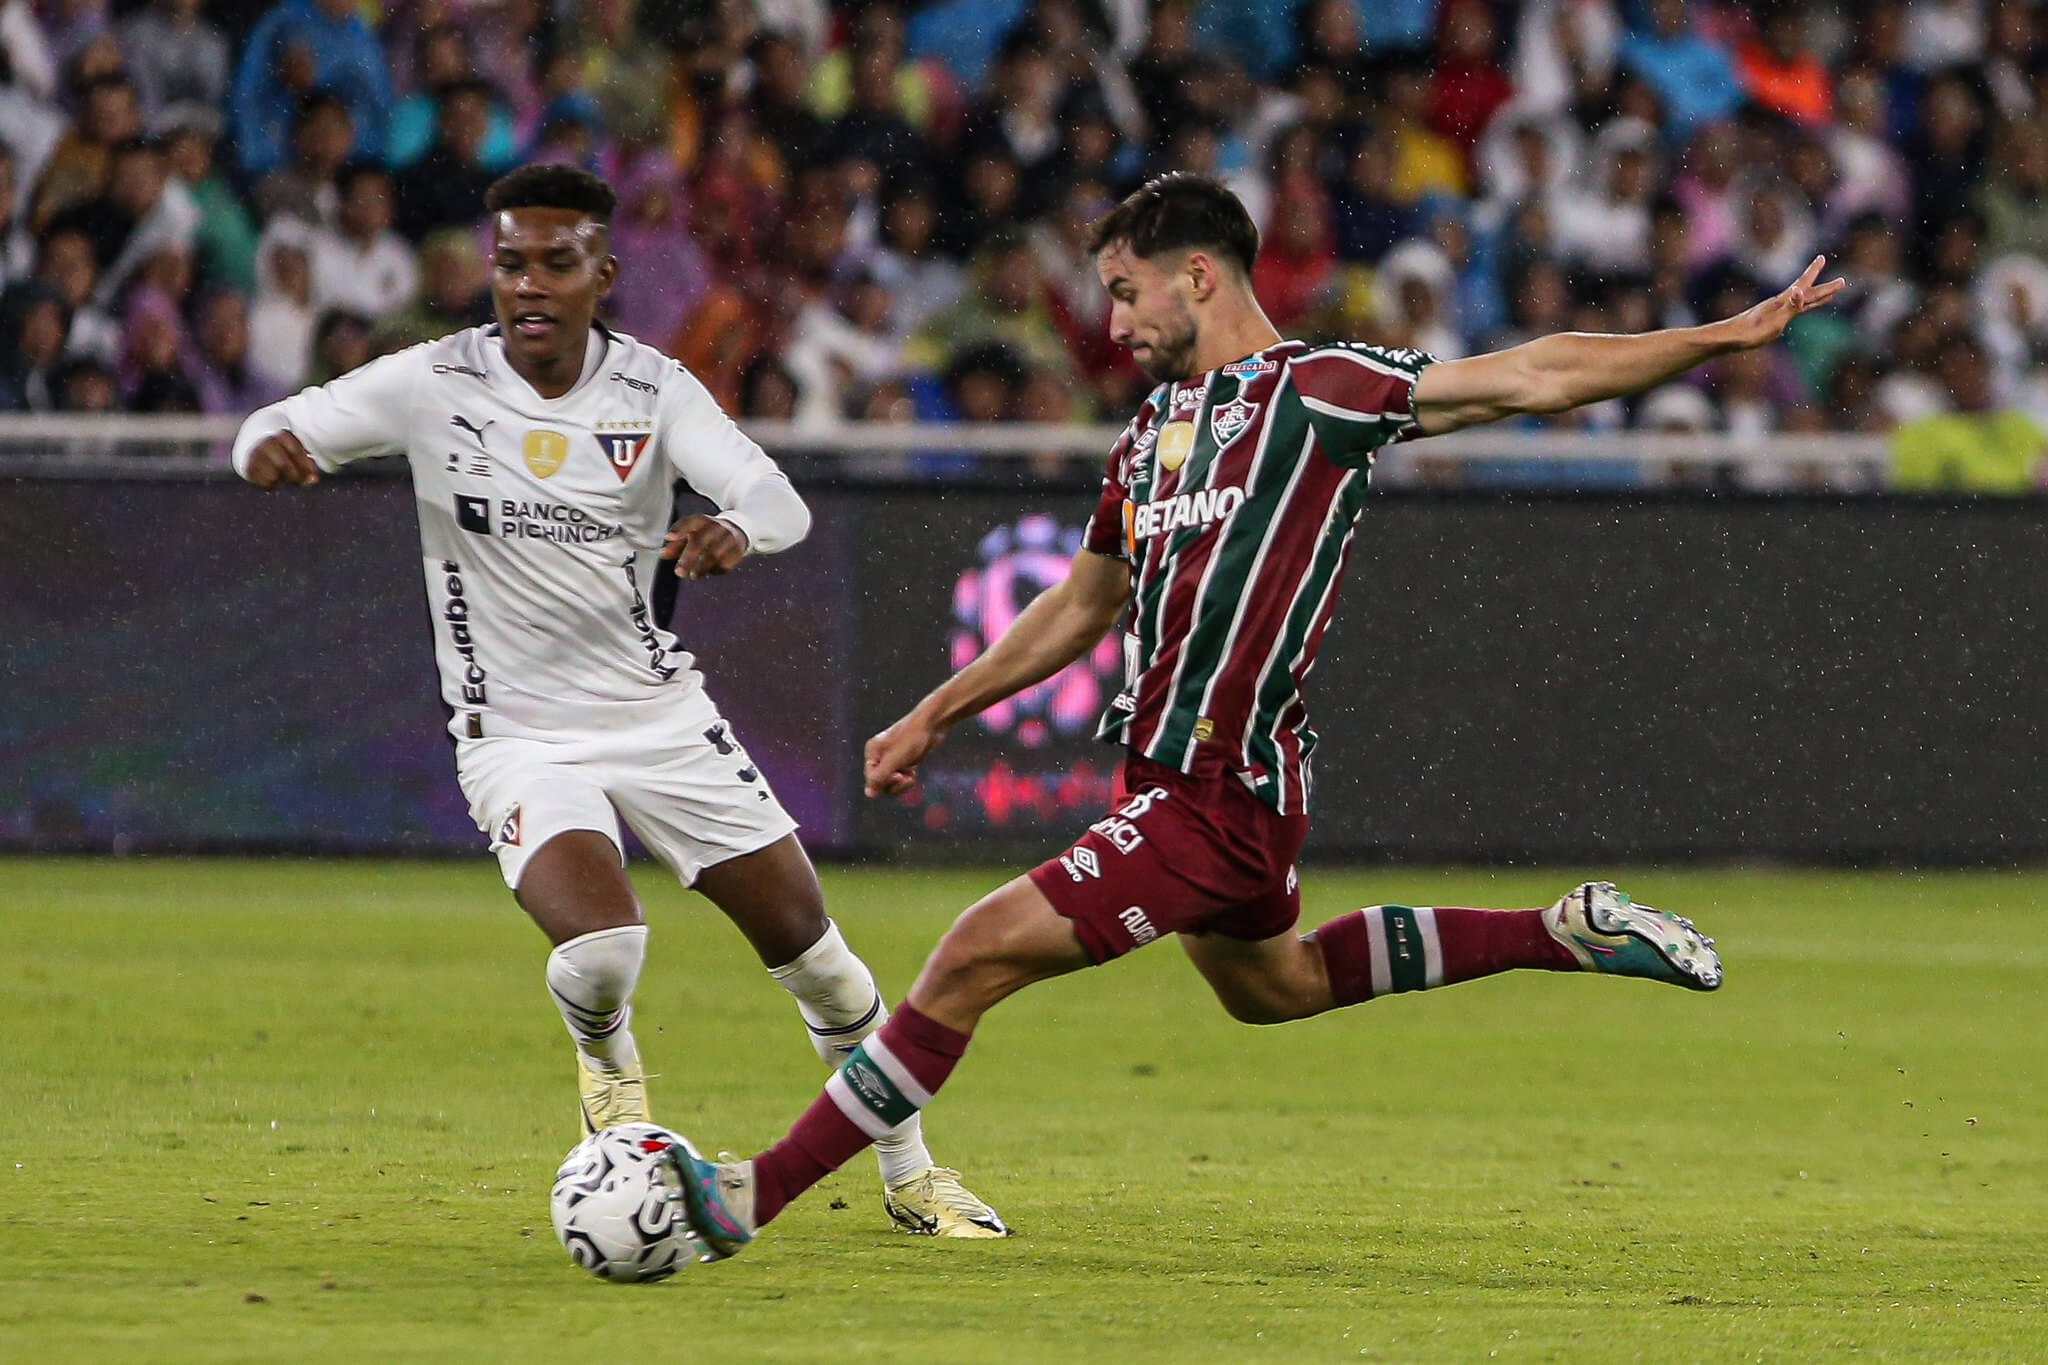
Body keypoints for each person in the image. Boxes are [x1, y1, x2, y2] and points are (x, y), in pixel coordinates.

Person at [667, 172, 1843, 1261]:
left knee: (970, 955)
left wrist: (1713, 338)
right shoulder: (1146, 438)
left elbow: (1535, 373)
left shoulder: (1319, 392)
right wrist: (935, 709)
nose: (1113, 323)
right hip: (1180, 784)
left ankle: (746, 1199)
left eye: (1126, 293)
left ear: (1199, 275)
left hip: (1215, 792)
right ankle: (1560, 929)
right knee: (1269, 987)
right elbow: (1084, 601)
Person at [231, 164, 1007, 1239]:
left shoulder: (652, 390)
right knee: (601, 952)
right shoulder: (433, 382)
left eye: (556, 263)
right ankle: (608, 1069)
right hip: (516, 736)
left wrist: (736, 527)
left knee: (823, 967)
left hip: (659, 720)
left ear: (603, 272)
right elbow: (276, 425)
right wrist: (264, 451)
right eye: (510, 263)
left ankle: (912, 1177)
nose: (529, 285)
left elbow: (771, 496)